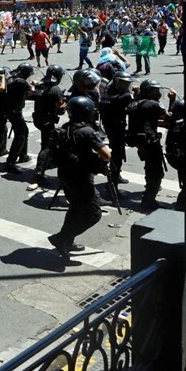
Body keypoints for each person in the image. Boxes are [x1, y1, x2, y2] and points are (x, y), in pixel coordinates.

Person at [46, 96, 111, 259]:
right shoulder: (88, 131)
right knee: (93, 213)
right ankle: (61, 238)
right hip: (80, 177)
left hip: (65, 175)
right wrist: (103, 162)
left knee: (75, 208)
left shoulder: (66, 128)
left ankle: (68, 241)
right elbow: (106, 154)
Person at [126, 79, 167, 211]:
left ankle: (150, 188)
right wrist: (173, 101)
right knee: (155, 170)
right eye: (155, 90)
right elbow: (168, 116)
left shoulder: (134, 103)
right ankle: (148, 200)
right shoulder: (153, 104)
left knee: (149, 166)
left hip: (138, 141)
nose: (158, 93)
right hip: (150, 141)